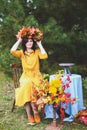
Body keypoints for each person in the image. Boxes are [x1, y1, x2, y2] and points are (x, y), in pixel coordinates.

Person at [10, 26, 48, 125]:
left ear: (33, 42)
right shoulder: (22, 53)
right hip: (26, 76)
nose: (29, 43)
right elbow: (12, 50)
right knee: (27, 85)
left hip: (36, 77)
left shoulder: (37, 52)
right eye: (27, 41)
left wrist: (40, 44)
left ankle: (34, 113)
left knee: (30, 86)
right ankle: (31, 114)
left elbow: (45, 56)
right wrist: (19, 40)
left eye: (31, 41)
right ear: (25, 43)